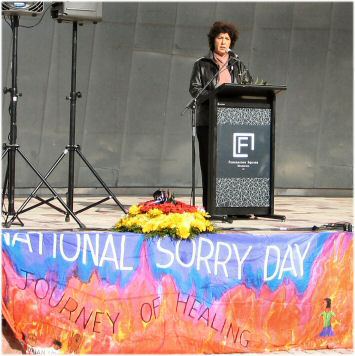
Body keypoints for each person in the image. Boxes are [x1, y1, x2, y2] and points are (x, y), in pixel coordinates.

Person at [189, 21, 253, 210]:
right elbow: (194, 89)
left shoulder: (238, 65)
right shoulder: (202, 64)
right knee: (210, 167)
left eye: (227, 38)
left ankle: (233, 206)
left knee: (232, 166)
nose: (224, 42)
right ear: (213, 41)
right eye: (220, 38)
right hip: (208, 123)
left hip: (233, 124)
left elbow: (248, 86)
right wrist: (215, 97)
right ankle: (212, 208)